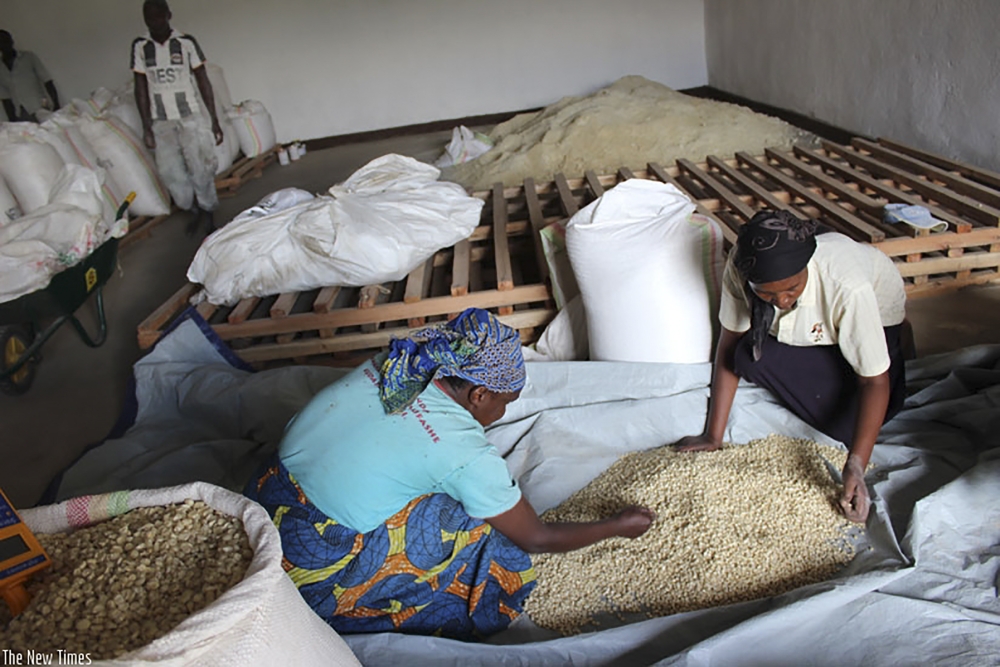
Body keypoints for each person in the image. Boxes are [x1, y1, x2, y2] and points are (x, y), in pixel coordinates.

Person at [245, 308, 655, 639]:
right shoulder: (462, 452)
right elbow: (537, 537)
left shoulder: (397, 362)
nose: (504, 413)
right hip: (303, 565)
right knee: (480, 535)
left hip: (259, 503)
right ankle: (355, 606)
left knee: (431, 488)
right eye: (505, 402)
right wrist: (617, 526)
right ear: (479, 395)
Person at [675, 209, 908, 524]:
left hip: (877, 315)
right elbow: (729, 343)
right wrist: (712, 436)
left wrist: (856, 464)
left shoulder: (847, 287)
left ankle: (899, 341)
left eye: (791, 289)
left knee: (853, 427)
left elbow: (873, 382)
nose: (782, 301)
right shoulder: (741, 270)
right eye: (767, 293)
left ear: (806, 270)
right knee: (745, 357)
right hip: (823, 325)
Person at [131, 0, 223, 236]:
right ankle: (193, 209)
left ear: (168, 15)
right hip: (161, 121)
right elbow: (140, 87)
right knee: (171, 173)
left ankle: (209, 213)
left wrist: (213, 119)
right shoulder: (140, 46)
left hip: (190, 115)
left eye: (159, 15)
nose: (154, 21)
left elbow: (203, 80)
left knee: (200, 167)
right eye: (149, 17)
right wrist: (146, 127)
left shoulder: (185, 42)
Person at [0, 30, 60, 122]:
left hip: (40, 108)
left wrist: (57, 106)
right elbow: (5, 98)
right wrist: (12, 121)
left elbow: (48, 81)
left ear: (12, 41)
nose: (4, 45)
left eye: (6, 40)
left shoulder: (28, 57)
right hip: (21, 113)